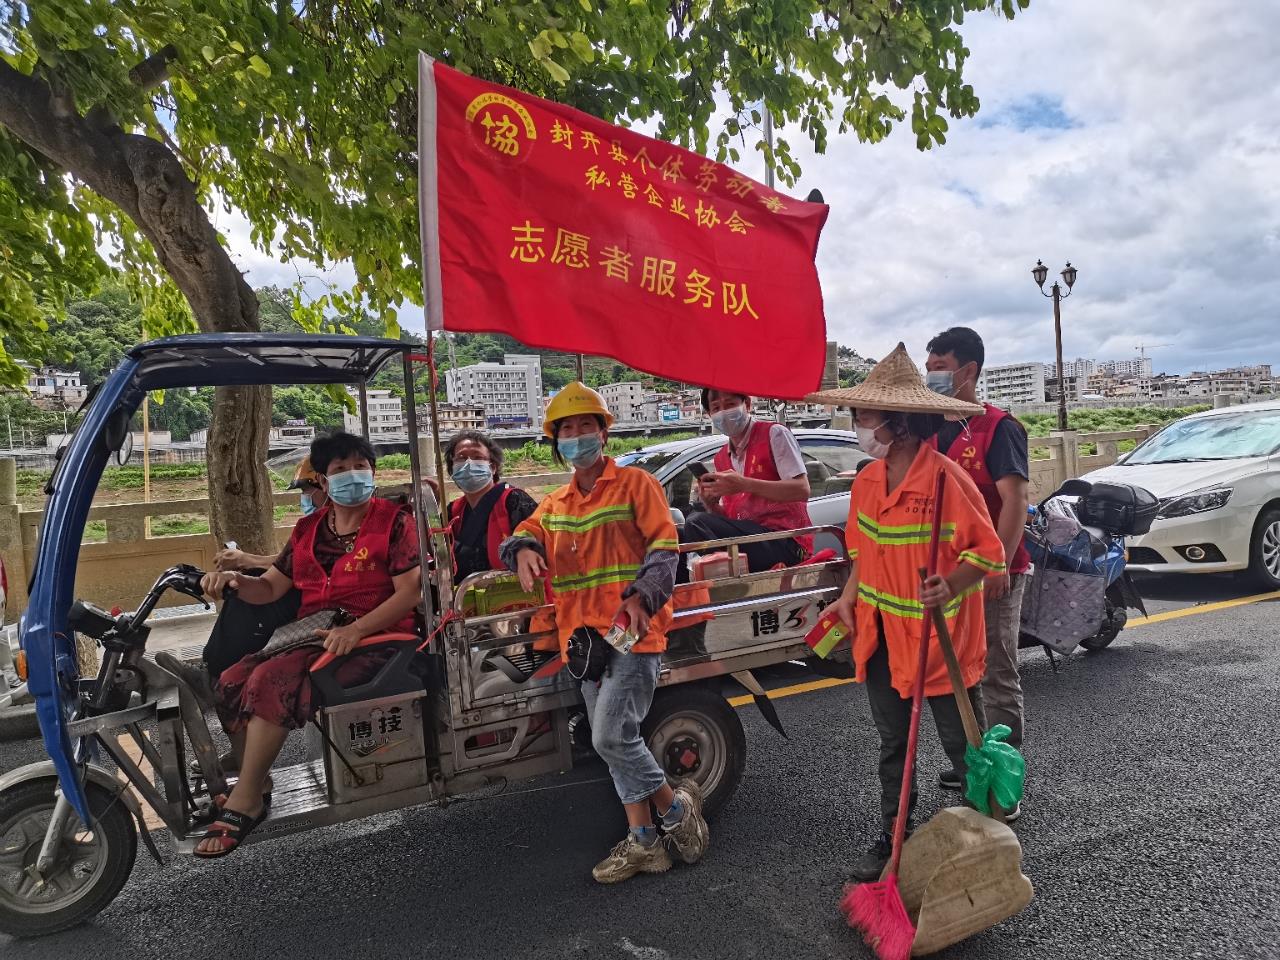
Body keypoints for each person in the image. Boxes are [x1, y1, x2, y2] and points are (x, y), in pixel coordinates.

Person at [810, 344, 1008, 883]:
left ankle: (986, 838)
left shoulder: (946, 479)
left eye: (864, 416)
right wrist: (849, 596)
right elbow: (864, 551)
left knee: (962, 746)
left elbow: (988, 553)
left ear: (897, 423)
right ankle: (891, 835)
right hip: (881, 636)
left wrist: (951, 584)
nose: (858, 426)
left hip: (940, 640)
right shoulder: (867, 481)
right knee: (894, 743)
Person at [499, 382, 710, 884]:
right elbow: (525, 531)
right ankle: (644, 842)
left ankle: (677, 810)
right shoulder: (556, 502)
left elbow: (664, 548)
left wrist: (643, 595)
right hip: (584, 643)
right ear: (557, 442)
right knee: (616, 741)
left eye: (586, 426)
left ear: (603, 433)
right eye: (567, 430)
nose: (577, 436)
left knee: (611, 736)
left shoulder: (637, 484)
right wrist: (521, 549)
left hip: (630, 630)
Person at [193, 432, 423, 858]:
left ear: (373, 471)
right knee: (230, 679)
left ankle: (246, 800)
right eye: (340, 469)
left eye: (360, 466)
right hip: (317, 637)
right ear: (323, 479)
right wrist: (234, 582)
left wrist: (357, 630)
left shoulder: (396, 523)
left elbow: (410, 592)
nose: (352, 475)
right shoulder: (307, 530)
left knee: (269, 679)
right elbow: (269, 588)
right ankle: (256, 780)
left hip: (378, 640)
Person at [925, 327, 1031, 790]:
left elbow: (1015, 501)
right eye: (929, 368)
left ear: (968, 371)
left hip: (992, 571)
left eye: (940, 368)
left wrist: (997, 563)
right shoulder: (928, 427)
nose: (932, 376)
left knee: (996, 669)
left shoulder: (999, 428)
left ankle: (1004, 775)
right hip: (949, 573)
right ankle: (972, 758)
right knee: (958, 668)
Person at [156, 458, 325, 716]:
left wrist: (248, 560)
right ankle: (217, 673)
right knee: (245, 583)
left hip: (322, 600)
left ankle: (213, 679)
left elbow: (301, 562)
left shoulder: (341, 521)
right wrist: (244, 567)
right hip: (309, 589)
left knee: (251, 594)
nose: (304, 498)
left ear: (325, 484)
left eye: (306, 490)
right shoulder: (315, 523)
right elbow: (291, 559)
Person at [680, 389, 812, 572]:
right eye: (716, 408)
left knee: (697, 522)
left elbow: (802, 490)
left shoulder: (774, 434)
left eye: (730, 405)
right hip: (750, 539)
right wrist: (711, 505)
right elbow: (732, 520)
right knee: (677, 535)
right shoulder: (721, 458)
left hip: (785, 540)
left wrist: (744, 484)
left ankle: (706, 580)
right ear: (709, 414)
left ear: (747, 404)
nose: (724, 413)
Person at [443, 430, 538, 582]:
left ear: (492, 467)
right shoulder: (453, 511)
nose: (468, 463)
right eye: (461, 458)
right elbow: (437, 551)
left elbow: (538, 544)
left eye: (477, 457)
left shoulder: (514, 501)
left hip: (515, 593)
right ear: (452, 468)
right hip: (465, 595)